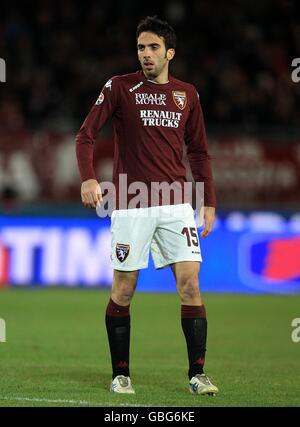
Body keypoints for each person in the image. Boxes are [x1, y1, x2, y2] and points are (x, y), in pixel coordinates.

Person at [76, 16, 218, 396]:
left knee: (190, 283)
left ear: (170, 52)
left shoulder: (187, 93)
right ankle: (121, 374)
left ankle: (197, 374)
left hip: (175, 205)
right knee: (124, 287)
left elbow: (199, 151)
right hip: (130, 203)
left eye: (154, 47)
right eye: (141, 47)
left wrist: (207, 201)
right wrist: (89, 178)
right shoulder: (120, 87)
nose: (146, 54)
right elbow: (86, 135)